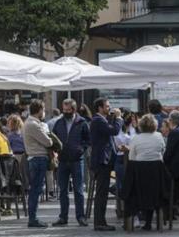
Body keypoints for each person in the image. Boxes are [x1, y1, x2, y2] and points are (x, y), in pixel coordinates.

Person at [51, 99, 90, 227]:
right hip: (62, 160)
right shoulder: (59, 122)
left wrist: (81, 150)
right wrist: (56, 151)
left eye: (68, 110)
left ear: (74, 109)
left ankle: (80, 217)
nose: (66, 112)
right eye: (64, 110)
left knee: (78, 190)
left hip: (77, 160)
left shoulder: (82, 122)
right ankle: (63, 217)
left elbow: (87, 140)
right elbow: (54, 138)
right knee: (62, 190)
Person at [127, 114, 166, 230]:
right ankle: (148, 222)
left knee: (131, 188)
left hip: (139, 176)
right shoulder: (159, 136)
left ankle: (132, 218)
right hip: (157, 176)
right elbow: (162, 151)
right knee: (153, 193)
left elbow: (131, 158)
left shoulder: (135, 138)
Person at [89, 97, 122, 232]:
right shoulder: (97, 120)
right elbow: (113, 130)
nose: (109, 108)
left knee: (102, 192)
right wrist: (119, 119)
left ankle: (101, 221)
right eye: (107, 106)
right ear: (100, 108)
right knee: (101, 193)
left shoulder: (101, 120)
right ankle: (99, 222)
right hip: (102, 161)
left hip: (105, 160)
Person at [23, 99, 53, 228]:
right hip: (37, 159)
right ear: (40, 110)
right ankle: (32, 218)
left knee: (36, 189)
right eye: (44, 109)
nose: (44, 112)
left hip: (36, 158)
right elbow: (48, 142)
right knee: (36, 190)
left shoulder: (32, 123)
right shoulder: (33, 124)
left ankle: (33, 217)